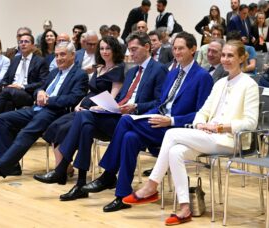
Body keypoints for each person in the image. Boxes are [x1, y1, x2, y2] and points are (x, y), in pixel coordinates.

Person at [123, 39, 259, 226]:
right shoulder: (219, 83)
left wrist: (219, 127)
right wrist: (200, 123)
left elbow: (250, 122)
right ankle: (185, 207)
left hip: (231, 139)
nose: (225, 59)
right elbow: (203, 111)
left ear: (242, 58)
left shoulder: (249, 84)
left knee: (171, 134)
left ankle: (151, 186)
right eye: (224, 55)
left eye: (231, 56)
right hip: (209, 136)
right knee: (175, 151)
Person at [81, 31, 213, 212]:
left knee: (126, 121)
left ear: (193, 49)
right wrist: (144, 116)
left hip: (176, 129)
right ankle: (122, 196)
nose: (176, 52)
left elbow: (201, 114)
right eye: (174, 48)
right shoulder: (173, 73)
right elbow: (160, 104)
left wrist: (171, 120)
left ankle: (109, 174)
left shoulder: (203, 76)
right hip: (158, 122)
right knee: (129, 138)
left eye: (181, 48)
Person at [33, 31, 168, 202]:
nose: (131, 53)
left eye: (134, 49)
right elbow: (119, 98)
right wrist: (107, 106)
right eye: (130, 50)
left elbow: (159, 103)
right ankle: (80, 183)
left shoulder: (159, 69)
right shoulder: (133, 71)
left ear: (147, 47)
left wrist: (135, 107)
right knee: (85, 120)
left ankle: (63, 170)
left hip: (134, 120)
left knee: (84, 119)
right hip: (117, 116)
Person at [0, 42, 89, 184]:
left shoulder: (80, 74)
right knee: (2, 119)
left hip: (55, 112)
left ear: (73, 55)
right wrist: (40, 92)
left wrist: (48, 101)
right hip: (37, 109)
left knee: (26, 132)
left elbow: (74, 98)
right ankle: (12, 166)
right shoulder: (54, 72)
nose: (59, 58)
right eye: (57, 55)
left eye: (63, 54)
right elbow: (38, 89)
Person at [34, 36, 125, 182]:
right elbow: (91, 91)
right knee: (57, 125)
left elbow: (113, 98)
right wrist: (79, 103)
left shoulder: (118, 69)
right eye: (101, 48)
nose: (104, 51)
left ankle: (61, 171)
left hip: (100, 113)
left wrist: (97, 107)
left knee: (66, 128)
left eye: (108, 48)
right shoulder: (99, 68)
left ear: (115, 50)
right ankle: (63, 169)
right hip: (84, 107)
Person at [0, 34, 49, 145]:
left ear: (32, 45)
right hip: (10, 94)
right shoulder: (15, 60)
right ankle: (2, 144)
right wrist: (4, 85)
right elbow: (5, 79)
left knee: (6, 92)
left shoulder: (40, 61)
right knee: (7, 102)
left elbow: (43, 82)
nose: (23, 44)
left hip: (27, 94)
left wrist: (22, 86)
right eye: (21, 42)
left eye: (26, 41)